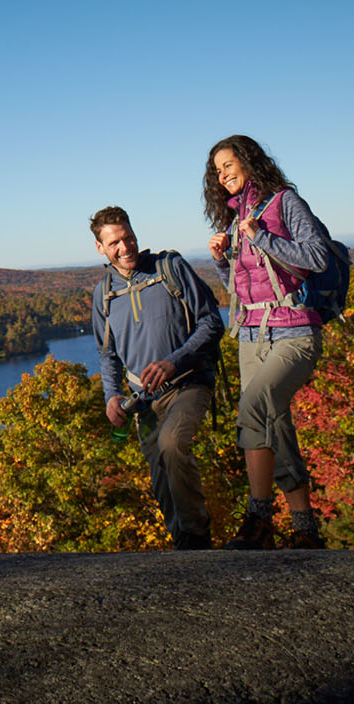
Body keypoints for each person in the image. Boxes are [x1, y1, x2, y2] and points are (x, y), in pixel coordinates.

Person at [204, 135, 329, 550]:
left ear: (249, 160)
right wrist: (223, 261)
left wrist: (261, 237)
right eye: (217, 171)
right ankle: (305, 529)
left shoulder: (283, 203)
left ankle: (258, 520)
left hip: (295, 331)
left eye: (228, 165)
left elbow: (317, 258)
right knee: (275, 423)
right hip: (251, 335)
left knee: (253, 408)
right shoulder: (235, 217)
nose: (222, 176)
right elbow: (239, 291)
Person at [90, 205, 224, 550]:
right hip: (143, 401)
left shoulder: (170, 269)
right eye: (115, 242)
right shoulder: (104, 294)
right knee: (161, 478)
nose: (126, 247)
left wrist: (172, 362)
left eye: (129, 237)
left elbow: (212, 323)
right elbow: (108, 355)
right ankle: (183, 547)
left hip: (188, 383)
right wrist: (111, 395)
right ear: (101, 248)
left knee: (172, 444)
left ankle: (196, 541)